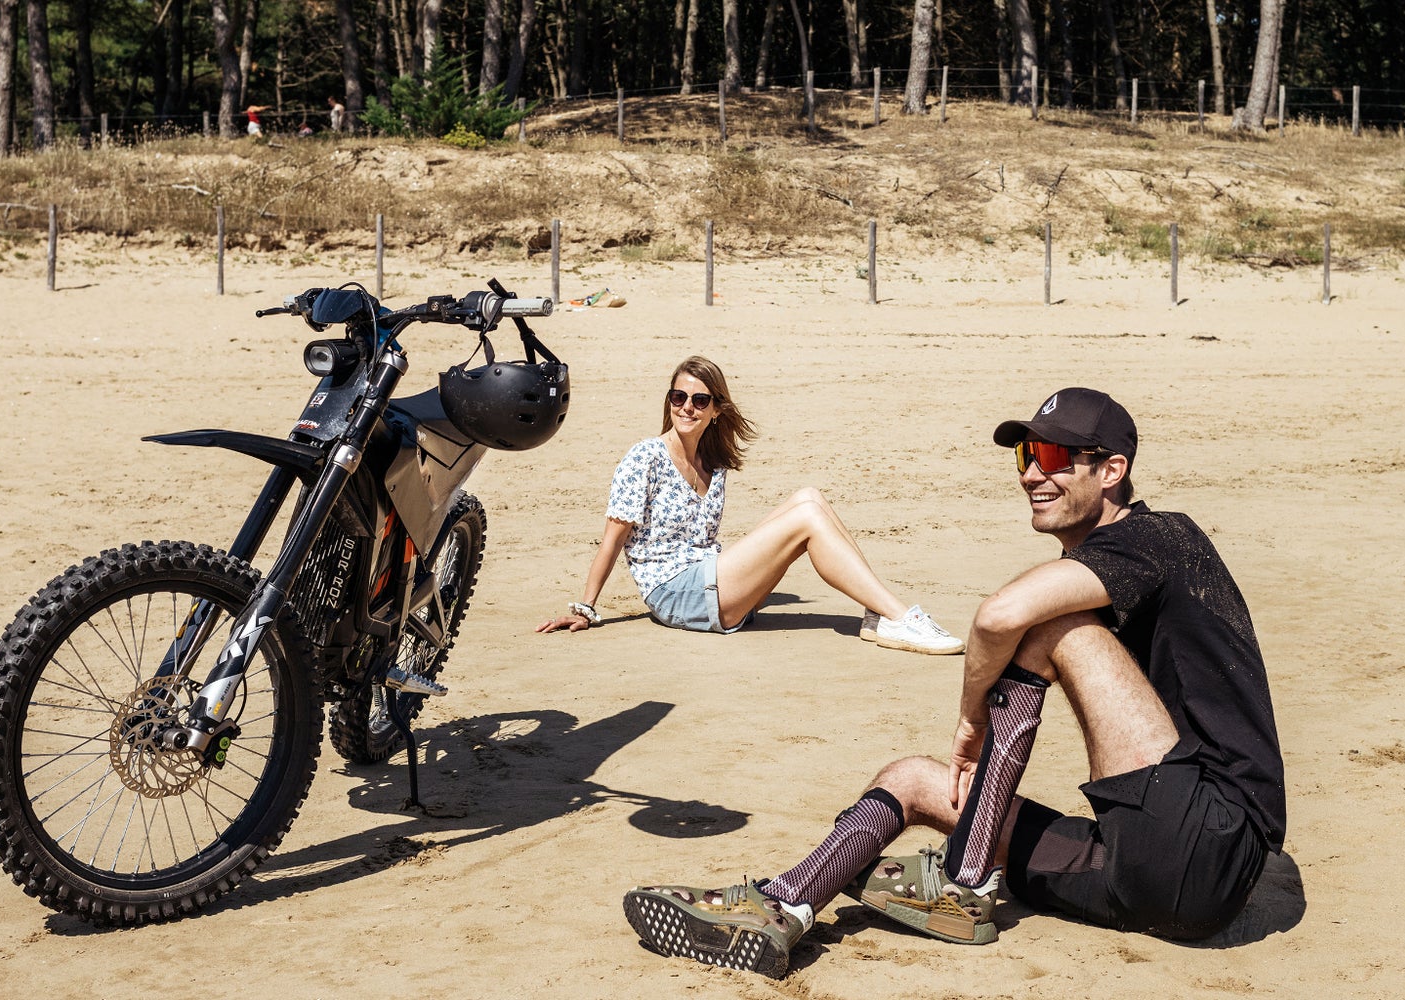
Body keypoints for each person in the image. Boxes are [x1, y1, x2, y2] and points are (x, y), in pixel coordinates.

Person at [621, 388, 1285, 978]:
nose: (1031, 474)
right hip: (1130, 874)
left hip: (1213, 842)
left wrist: (971, 723)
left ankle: (964, 880)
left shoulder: (1162, 537)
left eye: (1054, 458)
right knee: (909, 779)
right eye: (1024, 456)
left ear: (1113, 471)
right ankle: (784, 905)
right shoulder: (1108, 563)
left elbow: (1000, 617)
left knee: (1055, 626)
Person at [535, 356, 962, 654]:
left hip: (709, 579)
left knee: (809, 497)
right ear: (669, 401)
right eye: (678, 397)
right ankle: (899, 616)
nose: (687, 407)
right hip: (677, 593)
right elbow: (612, 540)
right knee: (808, 518)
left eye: (700, 400)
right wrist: (585, 609)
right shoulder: (645, 456)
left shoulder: (713, 462)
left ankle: (878, 612)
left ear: (717, 409)